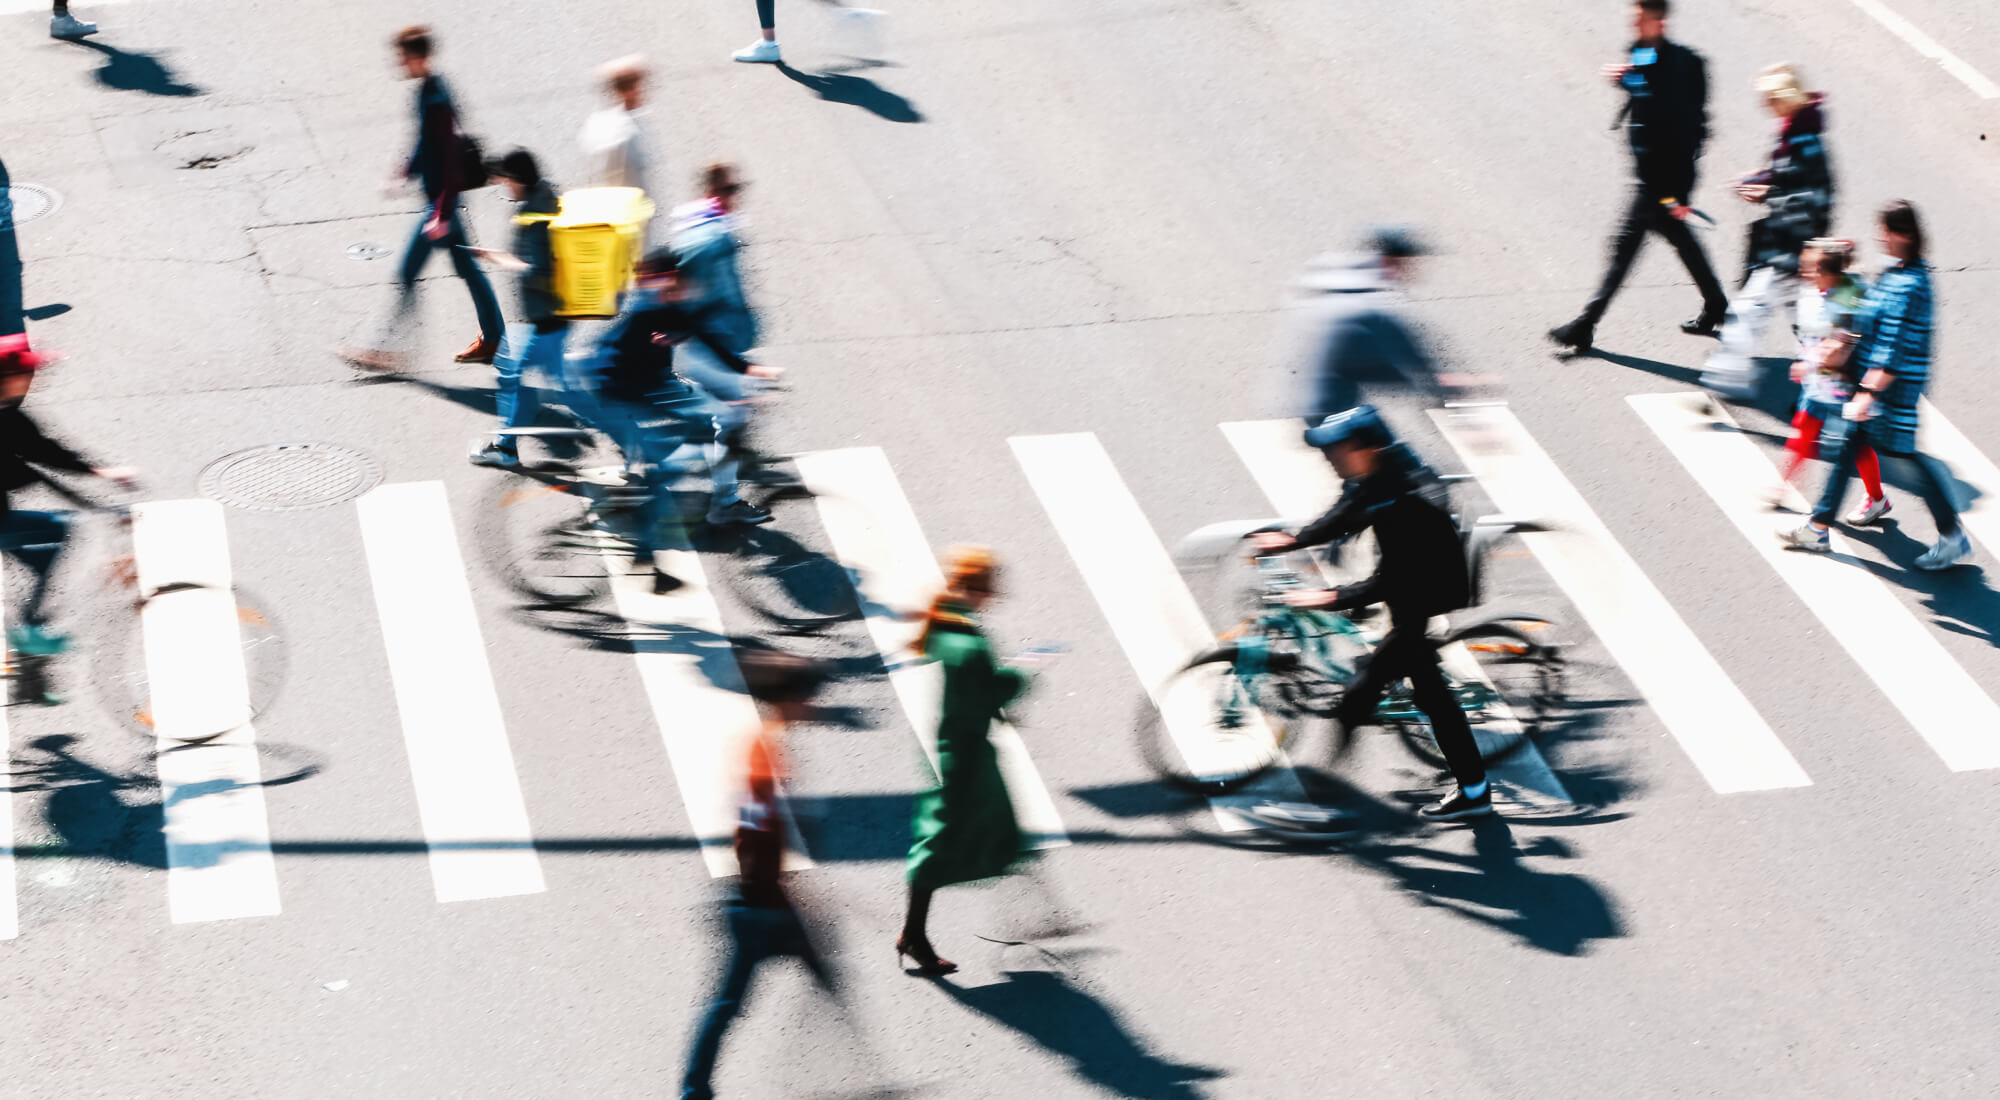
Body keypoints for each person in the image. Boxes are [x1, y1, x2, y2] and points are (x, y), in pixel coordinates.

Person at [1251, 406, 1491, 821]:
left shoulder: (1403, 502)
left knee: (1356, 699)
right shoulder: (1378, 477)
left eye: (1338, 449)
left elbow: (1393, 581)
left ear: (1369, 448)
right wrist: (1293, 541)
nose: (1330, 457)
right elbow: (1346, 511)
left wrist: (1329, 599)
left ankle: (1325, 805)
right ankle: (1475, 790)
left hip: (1420, 595)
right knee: (1432, 696)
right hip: (1409, 591)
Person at [678, 648, 840, 1100]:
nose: (812, 706)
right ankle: (694, 1088)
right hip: (760, 903)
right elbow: (753, 829)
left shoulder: (770, 746)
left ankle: (696, 1087)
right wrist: (766, 891)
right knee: (731, 1001)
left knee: (815, 977)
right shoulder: (764, 754)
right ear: (788, 699)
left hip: (767, 897)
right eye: (807, 697)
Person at [1783, 201, 1971, 570]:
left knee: (1905, 458)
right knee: (1846, 448)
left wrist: (1869, 393)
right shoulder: (1897, 272)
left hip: (1890, 392)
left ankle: (1952, 537)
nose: (1879, 237)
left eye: (1884, 231)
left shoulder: (1909, 284)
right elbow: (1868, 314)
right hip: (1873, 385)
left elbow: (1895, 346)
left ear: (1902, 234)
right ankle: (1820, 526)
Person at [584, 249, 783, 572]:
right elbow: (624, 363)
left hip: (653, 382)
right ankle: (657, 543)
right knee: (665, 467)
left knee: (719, 417)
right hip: (623, 388)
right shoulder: (648, 310)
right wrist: (659, 343)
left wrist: (750, 371)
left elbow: (700, 336)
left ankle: (720, 499)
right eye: (670, 278)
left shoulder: (667, 305)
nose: (678, 285)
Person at [1549, 0, 1729, 353]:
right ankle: (1717, 304)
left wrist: (1677, 192)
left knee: (1623, 252)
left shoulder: (1678, 66)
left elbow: (1678, 124)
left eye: (1639, 19)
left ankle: (1585, 325)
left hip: (1659, 181)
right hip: (1655, 177)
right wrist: (1628, 80)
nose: (1633, 25)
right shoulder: (1646, 53)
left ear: (1658, 22)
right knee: (1678, 239)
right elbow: (1648, 90)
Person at [901, 546, 1035, 975]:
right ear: (977, 589)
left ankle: (1032, 909)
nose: (992, 598)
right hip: (965, 756)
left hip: (962, 749)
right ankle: (913, 935)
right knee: (942, 844)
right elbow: (990, 689)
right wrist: (1019, 676)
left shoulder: (951, 624)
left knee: (996, 828)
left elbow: (975, 691)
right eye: (989, 590)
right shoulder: (969, 642)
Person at [342, 26, 505, 372]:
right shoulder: (427, 91)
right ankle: (494, 339)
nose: (398, 62)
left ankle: (384, 350)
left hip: (441, 206)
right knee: (469, 271)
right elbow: (424, 141)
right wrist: (405, 170)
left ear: (418, 57)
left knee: (406, 272)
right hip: (443, 204)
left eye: (402, 56)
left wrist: (441, 213)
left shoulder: (436, 98)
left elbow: (448, 157)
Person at [1700, 64, 1835, 399]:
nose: (1765, 106)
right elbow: (1791, 178)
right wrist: (1761, 178)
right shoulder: (1798, 133)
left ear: (1784, 98)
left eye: (1769, 99)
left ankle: (1726, 380)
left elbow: (1812, 198)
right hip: (1792, 247)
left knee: (1749, 312)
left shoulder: (1805, 141)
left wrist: (1766, 192)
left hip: (1791, 248)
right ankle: (1826, 385)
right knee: (1805, 326)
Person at [1, 334, 139, 656]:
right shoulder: (7, 419)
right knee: (60, 528)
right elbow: (38, 464)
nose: (36, 378)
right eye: (30, 372)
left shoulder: (9, 415)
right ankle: (29, 633)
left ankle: (28, 645)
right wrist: (99, 490)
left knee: (41, 557)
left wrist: (97, 478)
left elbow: (40, 456)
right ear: (8, 377)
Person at [1275, 227, 1464, 426]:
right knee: (1391, 453)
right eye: (1407, 262)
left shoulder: (1338, 275)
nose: (1413, 268)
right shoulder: (1377, 304)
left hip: (1306, 395)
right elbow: (1409, 356)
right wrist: (1442, 387)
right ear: (1391, 261)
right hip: (1332, 412)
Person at [466, 150, 567, 470]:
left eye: (505, 178)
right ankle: (505, 445)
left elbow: (536, 270)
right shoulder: (547, 195)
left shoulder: (536, 217)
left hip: (547, 318)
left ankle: (505, 448)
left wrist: (498, 257)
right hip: (554, 315)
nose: (502, 184)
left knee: (515, 376)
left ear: (517, 180)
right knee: (517, 375)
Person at [1765, 240, 1883, 516]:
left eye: (1810, 269)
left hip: (1844, 384)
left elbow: (1842, 344)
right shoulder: (1814, 291)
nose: (1803, 273)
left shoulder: (1848, 297)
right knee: (1805, 424)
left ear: (1827, 273)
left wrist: (1810, 363)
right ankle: (1782, 486)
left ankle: (1876, 498)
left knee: (1858, 447)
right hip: (1819, 382)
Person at [670, 164, 758, 358]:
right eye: (731, 189)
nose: (736, 196)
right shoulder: (711, 237)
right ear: (713, 191)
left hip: (713, 338)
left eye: (737, 188)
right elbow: (693, 290)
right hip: (716, 338)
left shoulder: (707, 225)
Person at [578, 56, 655, 204]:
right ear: (632, 89)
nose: (646, 89)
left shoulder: (598, 123)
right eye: (642, 84)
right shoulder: (626, 130)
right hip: (625, 217)